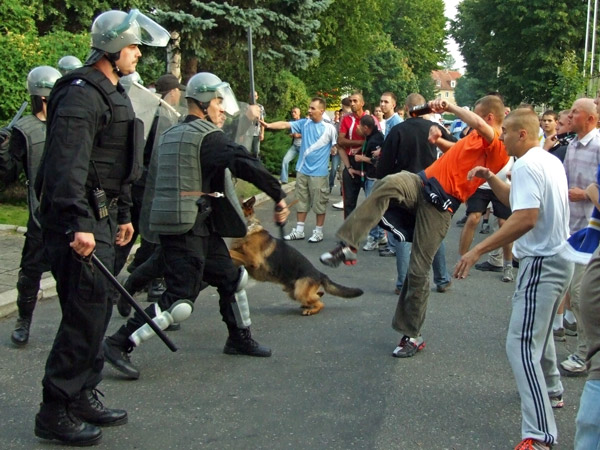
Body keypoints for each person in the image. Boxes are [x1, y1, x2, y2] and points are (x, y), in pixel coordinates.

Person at [33, 9, 171, 445]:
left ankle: (82, 394)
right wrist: (78, 222)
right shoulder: (79, 93)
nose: (138, 55)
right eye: (133, 47)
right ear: (112, 47)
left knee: (98, 309)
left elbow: (118, 163)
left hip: (107, 217)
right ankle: (55, 409)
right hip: (81, 221)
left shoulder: (113, 91)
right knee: (83, 313)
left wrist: (125, 214)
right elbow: (67, 165)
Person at [103, 72, 289, 379]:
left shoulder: (172, 133)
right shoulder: (207, 137)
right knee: (179, 300)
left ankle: (238, 338)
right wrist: (277, 194)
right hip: (187, 228)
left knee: (232, 279)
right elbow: (244, 162)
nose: (222, 110)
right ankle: (118, 343)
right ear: (203, 103)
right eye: (218, 103)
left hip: (196, 226)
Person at [320, 95, 508, 358]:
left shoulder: (497, 145)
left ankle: (413, 335)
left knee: (418, 270)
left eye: (477, 117)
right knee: (388, 183)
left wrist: (451, 107)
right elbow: (456, 154)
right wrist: (438, 141)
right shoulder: (474, 139)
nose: (472, 123)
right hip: (421, 183)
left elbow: (480, 125)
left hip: (441, 205)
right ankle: (349, 244)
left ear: (488, 118)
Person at [455, 109, 573, 450]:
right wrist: (491, 177)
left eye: (505, 131)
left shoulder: (527, 164)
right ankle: (552, 390)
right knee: (541, 332)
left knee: (520, 345)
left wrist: (477, 250)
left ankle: (540, 436)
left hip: (543, 263)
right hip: (557, 259)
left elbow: (526, 218)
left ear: (522, 134)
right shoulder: (546, 160)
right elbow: (518, 200)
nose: (500, 136)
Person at [0, 66, 61, 346]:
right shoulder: (24, 130)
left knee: (73, 277)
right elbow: (6, 176)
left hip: (70, 213)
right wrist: (2, 151)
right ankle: (24, 320)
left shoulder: (71, 125)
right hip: (40, 216)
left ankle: (75, 327)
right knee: (30, 272)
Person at [374, 93, 455, 294]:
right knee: (434, 233)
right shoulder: (435, 129)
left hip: (404, 187)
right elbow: (455, 149)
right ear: (425, 108)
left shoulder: (398, 130)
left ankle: (402, 283)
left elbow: (384, 164)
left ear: (406, 108)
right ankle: (442, 279)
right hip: (432, 186)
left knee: (402, 233)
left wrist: (383, 184)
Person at [559, 98, 600, 376]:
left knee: (581, 292)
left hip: (592, 231)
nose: (570, 114)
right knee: (574, 292)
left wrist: (585, 193)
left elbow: (595, 186)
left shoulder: (598, 146)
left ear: (589, 118)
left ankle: (585, 354)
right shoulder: (572, 144)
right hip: (571, 229)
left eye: (575, 111)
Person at [262, 97, 336, 243]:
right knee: (301, 202)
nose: (309, 110)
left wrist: (334, 151)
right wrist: (268, 125)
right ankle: (299, 230)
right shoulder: (304, 123)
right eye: (309, 107)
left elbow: (336, 146)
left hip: (319, 174)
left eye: (312, 108)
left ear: (321, 111)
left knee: (319, 203)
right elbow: (285, 124)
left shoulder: (330, 129)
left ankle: (318, 232)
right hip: (302, 171)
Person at [337, 92, 370, 217]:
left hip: (367, 164)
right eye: (350, 101)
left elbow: (375, 140)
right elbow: (340, 141)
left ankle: (375, 234)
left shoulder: (370, 119)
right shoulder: (346, 119)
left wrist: (360, 145)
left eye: (355, 101)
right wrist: (360, 142)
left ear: (362, 103)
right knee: (349, 202)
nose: (352, 104)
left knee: (372, 201)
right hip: (351, 162)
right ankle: (348, 234)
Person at [279, 107, 302, 184]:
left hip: (303, 147)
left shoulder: (303, 122)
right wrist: (292, 135)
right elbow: (289, 132)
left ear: (299, 113)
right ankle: (284, 179)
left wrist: (299, 135)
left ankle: (302, 181)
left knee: (301, 165)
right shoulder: (291, 122)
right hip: (295, 146)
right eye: (292, 112)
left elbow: (309, 133)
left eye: (295, 112)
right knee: (285, 160)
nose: (293, 114)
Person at [250, 90, 265, 159]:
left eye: (255, 96)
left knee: (256, 152)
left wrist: (262, 133)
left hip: (256, 132)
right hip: (247, 133)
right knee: (245, 151)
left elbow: (262, 121)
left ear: (257, 97)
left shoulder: (260, 107)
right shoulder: (246, 106)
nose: (253, 97)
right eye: (252, 96)